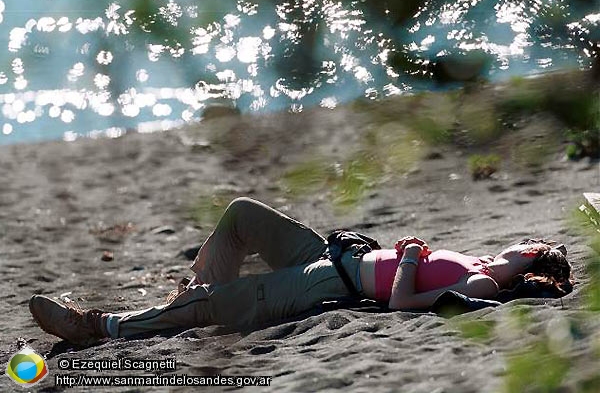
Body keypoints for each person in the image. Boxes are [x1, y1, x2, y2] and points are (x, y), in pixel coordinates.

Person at [29, 197, 573, 346]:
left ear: (532, 257)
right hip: (331, 254)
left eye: (531, 244)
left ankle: (100, 326)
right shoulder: (480, 262)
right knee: (242, 213)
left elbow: (405, 305)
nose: (522, 241)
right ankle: (189, 297)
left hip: (333, 283)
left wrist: (407, 260)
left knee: (220, 305)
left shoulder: (484, 284)